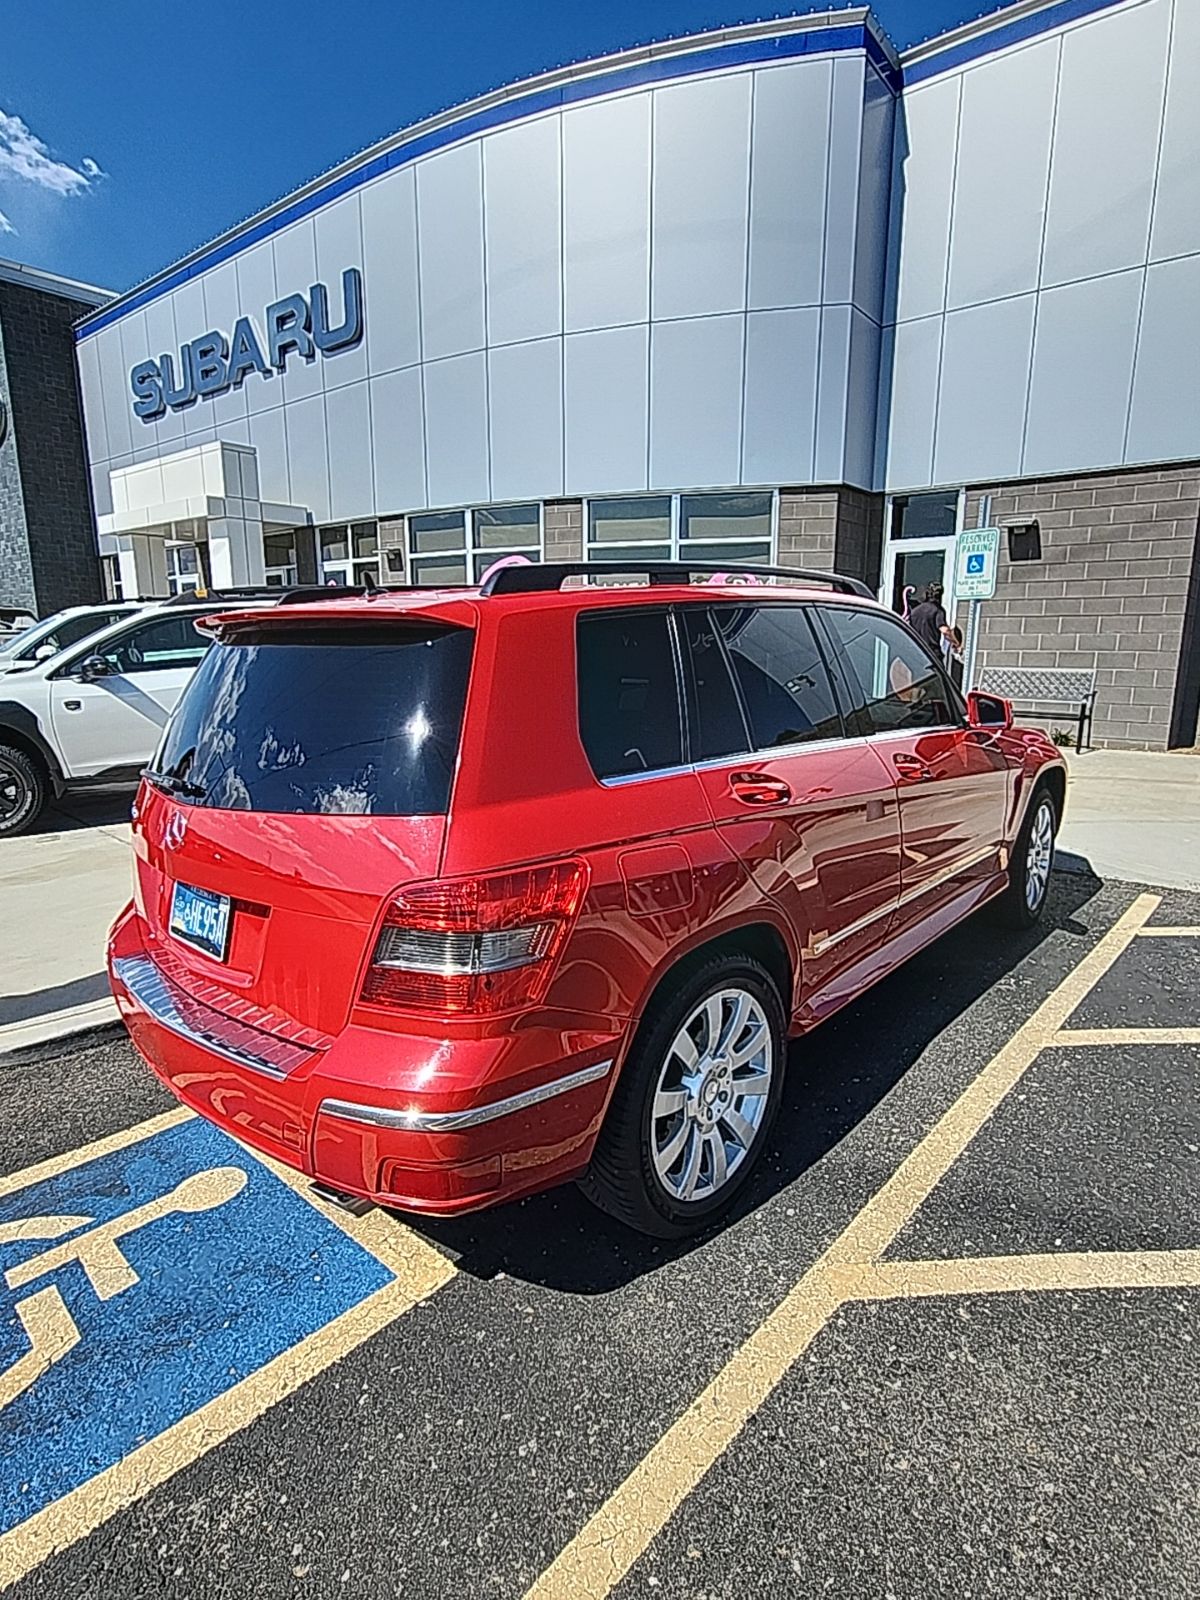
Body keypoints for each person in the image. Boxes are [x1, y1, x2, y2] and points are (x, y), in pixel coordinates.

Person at [908, 583, 956, 657]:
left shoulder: (915, 611)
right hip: (931, 652)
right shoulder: (938, 610)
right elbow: (944, 630)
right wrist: (956, 643)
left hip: (915, 650)